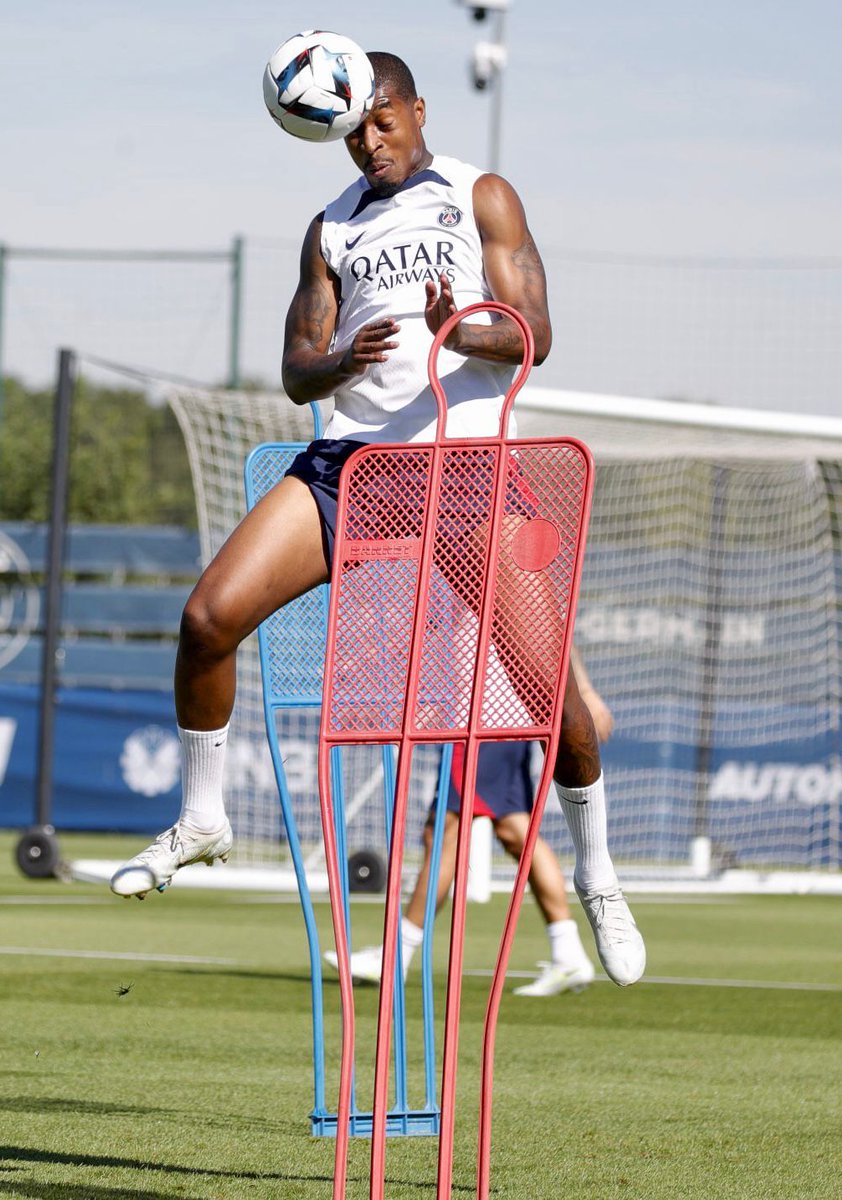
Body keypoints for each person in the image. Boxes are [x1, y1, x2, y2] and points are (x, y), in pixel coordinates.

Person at [111, 51, 645, 988]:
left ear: (416, 109)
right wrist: (342, 361)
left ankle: (598, 875)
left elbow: (534, 337)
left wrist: (457, 326)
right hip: (352, 466)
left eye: (385, 119)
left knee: (555, 703)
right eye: (355, 127)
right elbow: (294, 370)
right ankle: (201, 817)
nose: (372, 140)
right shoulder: (329, 228)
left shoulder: (482, 195)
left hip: (467, 469)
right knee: (207, 618)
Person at [324, 652, 615, 998]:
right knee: (515, 832)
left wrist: (583, 690)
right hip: (500, 713)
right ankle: (568, 952)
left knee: (445, 831)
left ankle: (396, 956)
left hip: (485, 714)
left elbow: (548, 628)